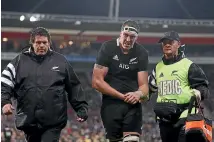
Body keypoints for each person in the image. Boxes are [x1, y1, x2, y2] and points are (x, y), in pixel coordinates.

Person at [1, 27, 89, 142]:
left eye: (44, 42)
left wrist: (81, 107)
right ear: (32, 43)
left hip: (53, 121)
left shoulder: (60, 61)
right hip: (29, 122)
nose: (41, 45)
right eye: (38, 42)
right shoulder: (19, 61)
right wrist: (5, 102)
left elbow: (74, 86)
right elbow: (5, 82)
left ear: (49, 43)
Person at [92, 20, 149, 142]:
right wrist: (121, 96)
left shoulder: (142, 53)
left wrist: (138, 94)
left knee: (132, 140)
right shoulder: (108, 47)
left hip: (133, 105)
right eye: (126, 35)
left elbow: (144, 85)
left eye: (132, 37)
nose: (128, 40)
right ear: (120, 33)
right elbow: (96, 82)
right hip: (111, 104)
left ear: (136, 37)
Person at [148, 31, 210, 142]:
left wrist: (199, 93)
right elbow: (148, 89)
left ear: (179, 44)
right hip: (165, 119)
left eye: (171, 42)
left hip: (185, 114)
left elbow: (204, 88)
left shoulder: (189, 65)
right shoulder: (157, 68)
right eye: (164, 42)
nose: (167, 45)